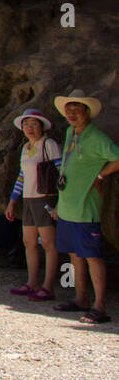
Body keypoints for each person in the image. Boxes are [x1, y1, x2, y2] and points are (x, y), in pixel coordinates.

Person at [49, 91, 119, 325]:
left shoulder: (97, 138)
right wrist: (59, 203)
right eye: (68, 109)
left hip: (86, 209)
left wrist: (101, 174)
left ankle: (99, 306)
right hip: (68, 207)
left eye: (76, 109)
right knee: (74, 255)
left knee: (92, 256)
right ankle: (80, 298)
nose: (71, 113)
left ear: (87, 111)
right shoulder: (70, 133)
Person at [5, 109, 61, 302]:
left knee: (48, 243)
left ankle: (47, 286)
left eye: (34, 124)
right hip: (28, 199)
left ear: (42, 126)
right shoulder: (26, 148)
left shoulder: (49, 145)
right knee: (29, 242)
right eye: (26, 124)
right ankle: (32, 282)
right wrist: (13, 201)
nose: (30, 128)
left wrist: (60, 203)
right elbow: (22, 176)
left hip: (45, 198)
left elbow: (62, 174)